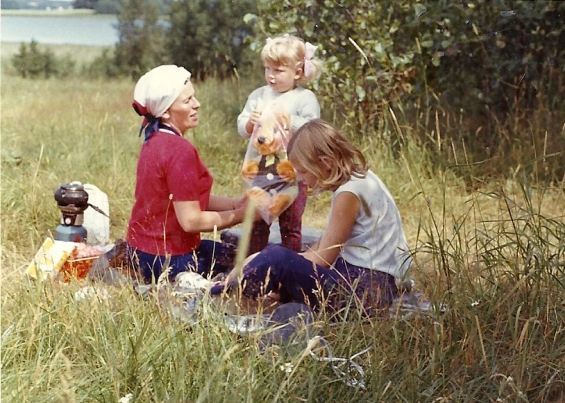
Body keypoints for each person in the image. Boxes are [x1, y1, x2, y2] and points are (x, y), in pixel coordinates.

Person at [236, 119, 413, 317]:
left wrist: (265, 259)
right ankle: (266, 287)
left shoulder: (349, 193)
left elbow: (323, 258)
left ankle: (228, 288)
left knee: (277, 257)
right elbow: (324, 245)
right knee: (282, 260)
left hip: (365, 293)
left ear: (325, 163)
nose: (300, 178)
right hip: (371, 283)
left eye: (303, 171)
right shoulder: (362, 178)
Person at [126, 64, 254, 283]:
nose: (197, 104)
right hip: (168, 258)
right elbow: (191, 221)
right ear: (166, 111)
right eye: (187, 101)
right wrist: (244, 215)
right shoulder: (180, 150)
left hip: (140, 251)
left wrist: (234, 204)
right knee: (250, 263)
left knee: (229, 253)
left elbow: (184, 199)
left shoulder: (154, 139)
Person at [237, 34, 323, 255]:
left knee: (291, 223)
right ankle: (254, 263)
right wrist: (250, 123)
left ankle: (288, 262)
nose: (271, 76)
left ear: (297, 72)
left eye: (278, 70)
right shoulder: (259, 95)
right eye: (267, 69)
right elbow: (242, 127)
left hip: (293, 172)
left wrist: (289, 119)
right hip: (261, 169)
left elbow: (312, 129)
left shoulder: (304, 98)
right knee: (257, 221)